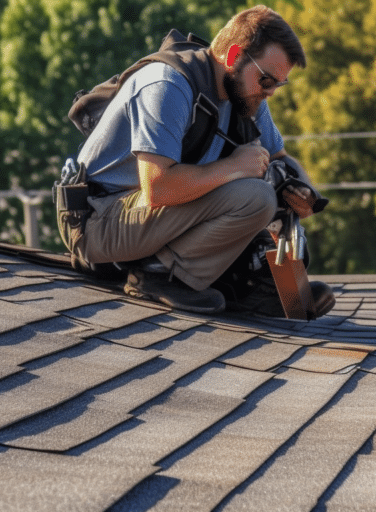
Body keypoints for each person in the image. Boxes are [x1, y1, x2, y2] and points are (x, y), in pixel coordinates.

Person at [59, 5, 334, 317]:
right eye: (267, 80)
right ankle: (157, 274)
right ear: (233, 57)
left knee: (270, 198)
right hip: (98, 223)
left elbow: (281, 157)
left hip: (150, 219)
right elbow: (158, 189)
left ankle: (245, 289)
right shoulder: (168, 84)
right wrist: (235, 167)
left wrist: (300, 191)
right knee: (256, 196)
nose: (270, 92)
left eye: (277, 85)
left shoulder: (246, 95)